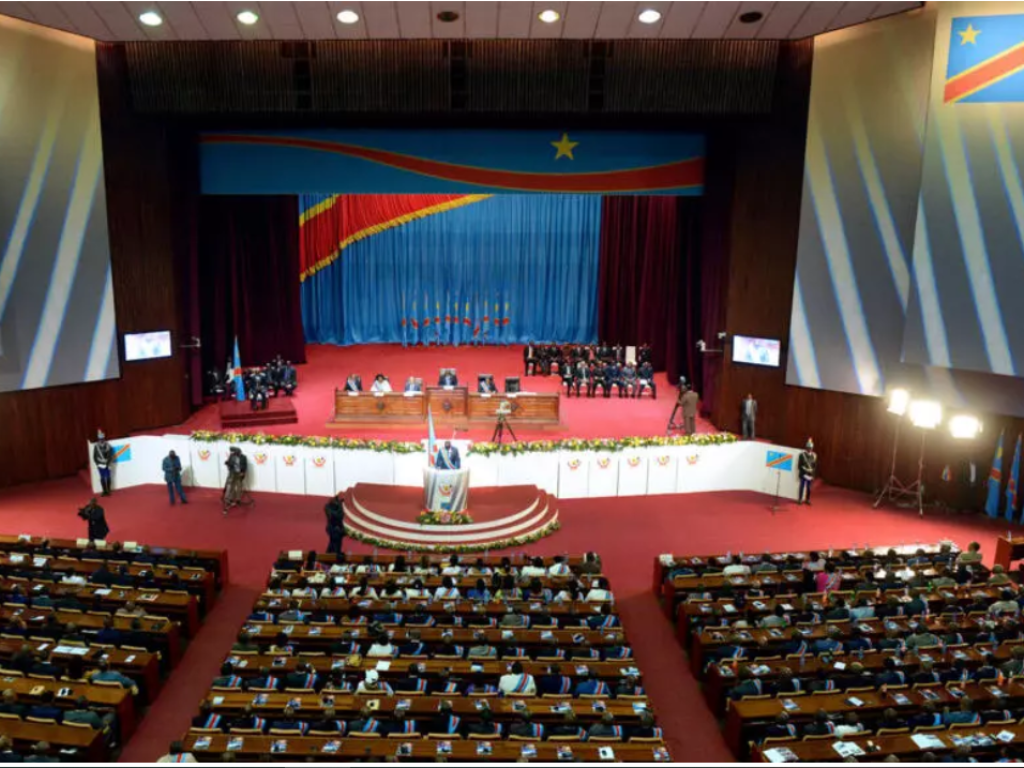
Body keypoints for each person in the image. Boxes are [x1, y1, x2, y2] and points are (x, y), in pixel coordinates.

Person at [223, 446, 248, 513]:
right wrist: (227, 463)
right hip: (232, 473)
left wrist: (243, 473)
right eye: (233, 452)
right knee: (231, 486)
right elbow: (229, 463)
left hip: (239, 473)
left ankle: (238, 499)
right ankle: (229, 499)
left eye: (235, 452)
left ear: (239, 452)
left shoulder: (243, 457)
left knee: (239, 486)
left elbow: (245, 466)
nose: (234, 453)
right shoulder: (231, 456)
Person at [93, 431, 114, 496]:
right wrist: (97, 463)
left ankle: (108, 490)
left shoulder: (108, 446)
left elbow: (110, 455)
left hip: (107, 464)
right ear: (98, 439)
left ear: (104, 438)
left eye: (102, 439)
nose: (101, 440)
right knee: (102, 477)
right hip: (100, 464)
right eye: (100, 439)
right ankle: (104, 491)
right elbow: (94, 456)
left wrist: (108, 463)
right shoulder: (96, 446)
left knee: (108, 477)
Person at [798, 439, 817, 505]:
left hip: (810, 475)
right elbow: (799, 466)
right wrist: (805, 470)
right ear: (806, 448)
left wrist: (813, 475)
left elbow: (814, 466)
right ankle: (800, 499)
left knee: (809, 488)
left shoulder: (814, 456)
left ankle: (807, 499)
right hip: (803, 474)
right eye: (808, 448)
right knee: (802, 487)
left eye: (811, 448)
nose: (809, 449)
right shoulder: (801, 455)